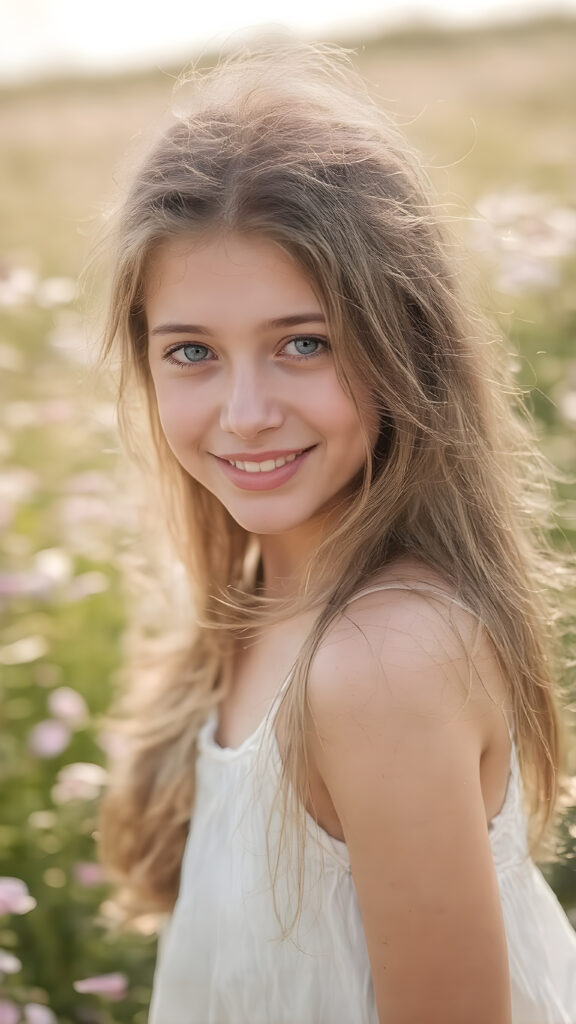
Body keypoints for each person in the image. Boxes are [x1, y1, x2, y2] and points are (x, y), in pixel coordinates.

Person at [96, 40, 576, 1024]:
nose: (245, 411)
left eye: (303, 343)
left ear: (403, 341)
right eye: (191, 351)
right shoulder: (251, 606)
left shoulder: (380, 658)